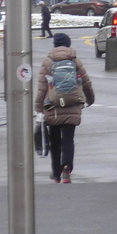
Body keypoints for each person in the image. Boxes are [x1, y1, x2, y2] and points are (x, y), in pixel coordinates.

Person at [36, 33, 95, 184]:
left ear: (54, 44)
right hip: (72, 105)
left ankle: (56, 174)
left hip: (53, 107)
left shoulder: (48, 62)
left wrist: (38, 107)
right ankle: (67, 169)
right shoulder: (75, 61)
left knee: (55, 141)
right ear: (68, 44)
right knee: (68, 139)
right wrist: (90, 99)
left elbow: (42, 88)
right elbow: (86, 83)